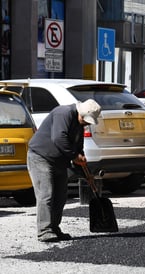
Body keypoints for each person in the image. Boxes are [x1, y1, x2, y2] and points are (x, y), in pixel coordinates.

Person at [27, 99, 101, 242]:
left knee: (60, 196)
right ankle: (44, 230)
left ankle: (54, 228)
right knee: (46, 194)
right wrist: (74, 156)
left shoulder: (79, 124)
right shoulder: (64, 113)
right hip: (41, 157)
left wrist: (86, 173)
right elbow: (59, 138)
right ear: (80, 112)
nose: (86, 123)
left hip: (59, 161)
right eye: (85, 120)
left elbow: (78, 149)